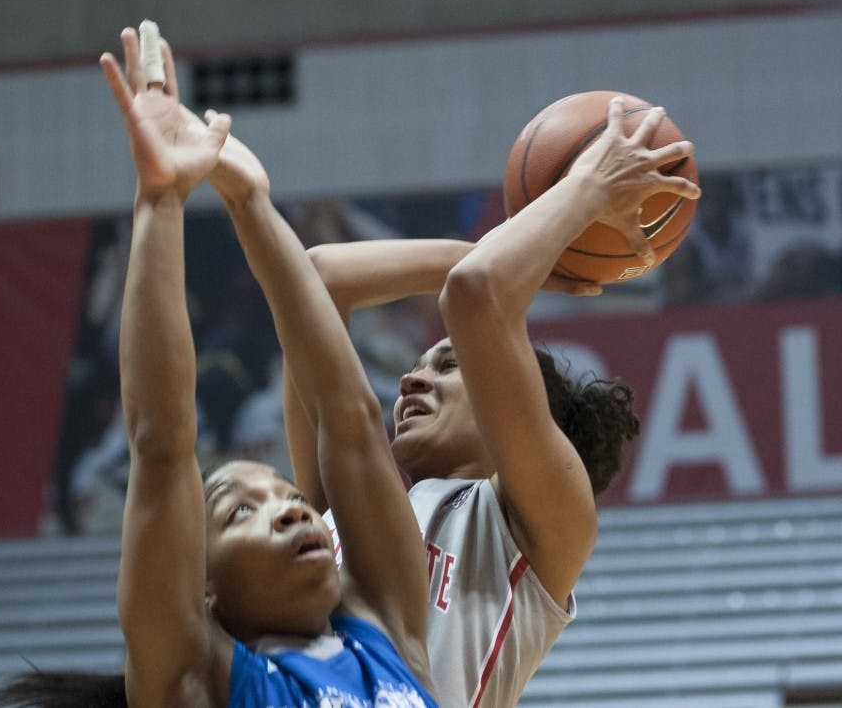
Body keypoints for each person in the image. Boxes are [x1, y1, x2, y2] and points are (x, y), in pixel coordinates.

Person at [0, 25, 437, 707]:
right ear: (203, 587)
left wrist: (253, 203)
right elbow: (161, 441)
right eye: (240, 511)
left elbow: (352, 422)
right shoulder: (200, 681)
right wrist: (160, 200)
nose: (290, 511)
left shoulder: (390, 631)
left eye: (290, 497)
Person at [279, 98, 700, 707]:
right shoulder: (347, 504)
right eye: (418, 366)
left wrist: (586, 188)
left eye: (449, 365)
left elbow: (477, 293)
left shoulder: (534, 522)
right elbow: (313, 284)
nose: (410, 381)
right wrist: (543, 265)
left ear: (523, 410)